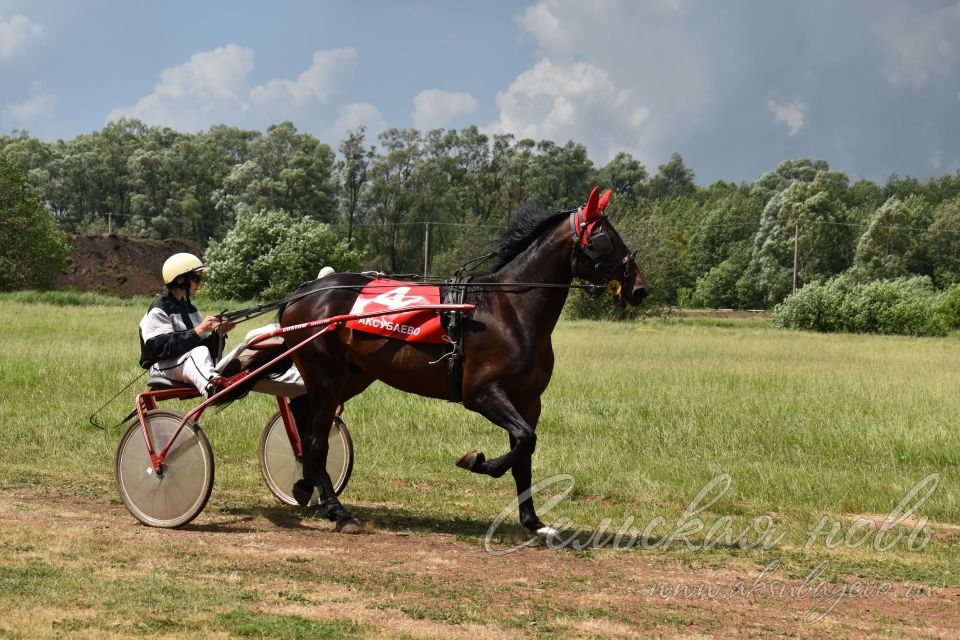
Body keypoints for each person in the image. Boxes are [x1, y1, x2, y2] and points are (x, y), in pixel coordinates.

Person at [139, 253, 234, 398]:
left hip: (184, 363)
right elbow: (160, 349)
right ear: (180, 279)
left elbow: (205, 348)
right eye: (196, 278)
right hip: (162, 366)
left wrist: (218, 334)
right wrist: (199, 330)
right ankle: (213, 389)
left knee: (230, 357)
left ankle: (229, 383)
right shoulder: (159, 309)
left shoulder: (190, 309)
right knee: (198, 353)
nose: (199, 283)